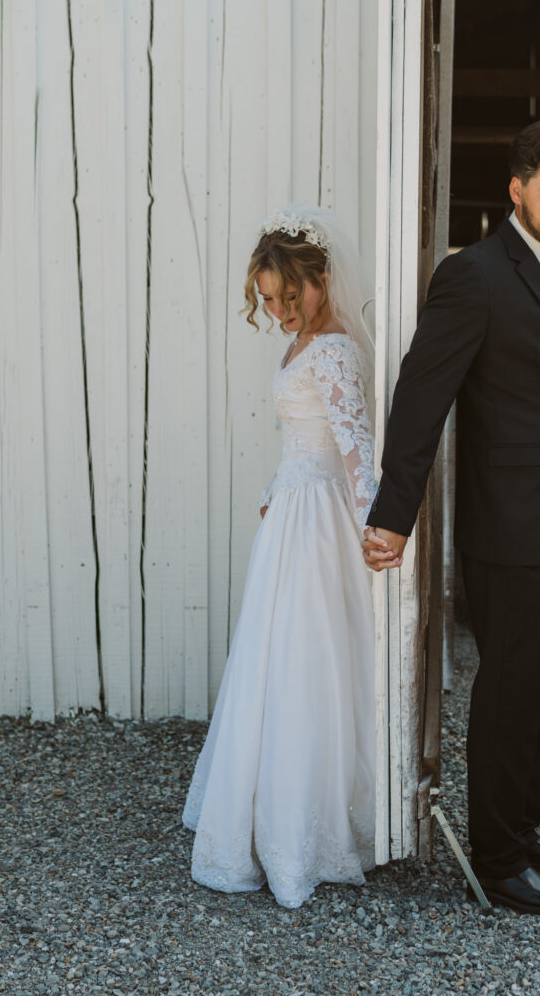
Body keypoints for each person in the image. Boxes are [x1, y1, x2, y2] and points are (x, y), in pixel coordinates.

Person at [362, 120, 540, 917]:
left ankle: (521, 828)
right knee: (509, 693)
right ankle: (499, 863)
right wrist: (393, 514)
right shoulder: (472, 275)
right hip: (509, 524)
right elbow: (422, 395)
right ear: (516, 190)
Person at [183, 205, 378, 909]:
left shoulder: (333, 350)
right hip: (292, 511)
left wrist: (377, 530)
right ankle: (269, 809)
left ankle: (312, 824)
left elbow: (356, 452)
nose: (279, 310)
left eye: (290, 296)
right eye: (268, 299)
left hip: (321, 525)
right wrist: (276, 486)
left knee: (308, 656)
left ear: (322, 279)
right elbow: (304, 437)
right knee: (276, 655)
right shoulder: (300, 344)